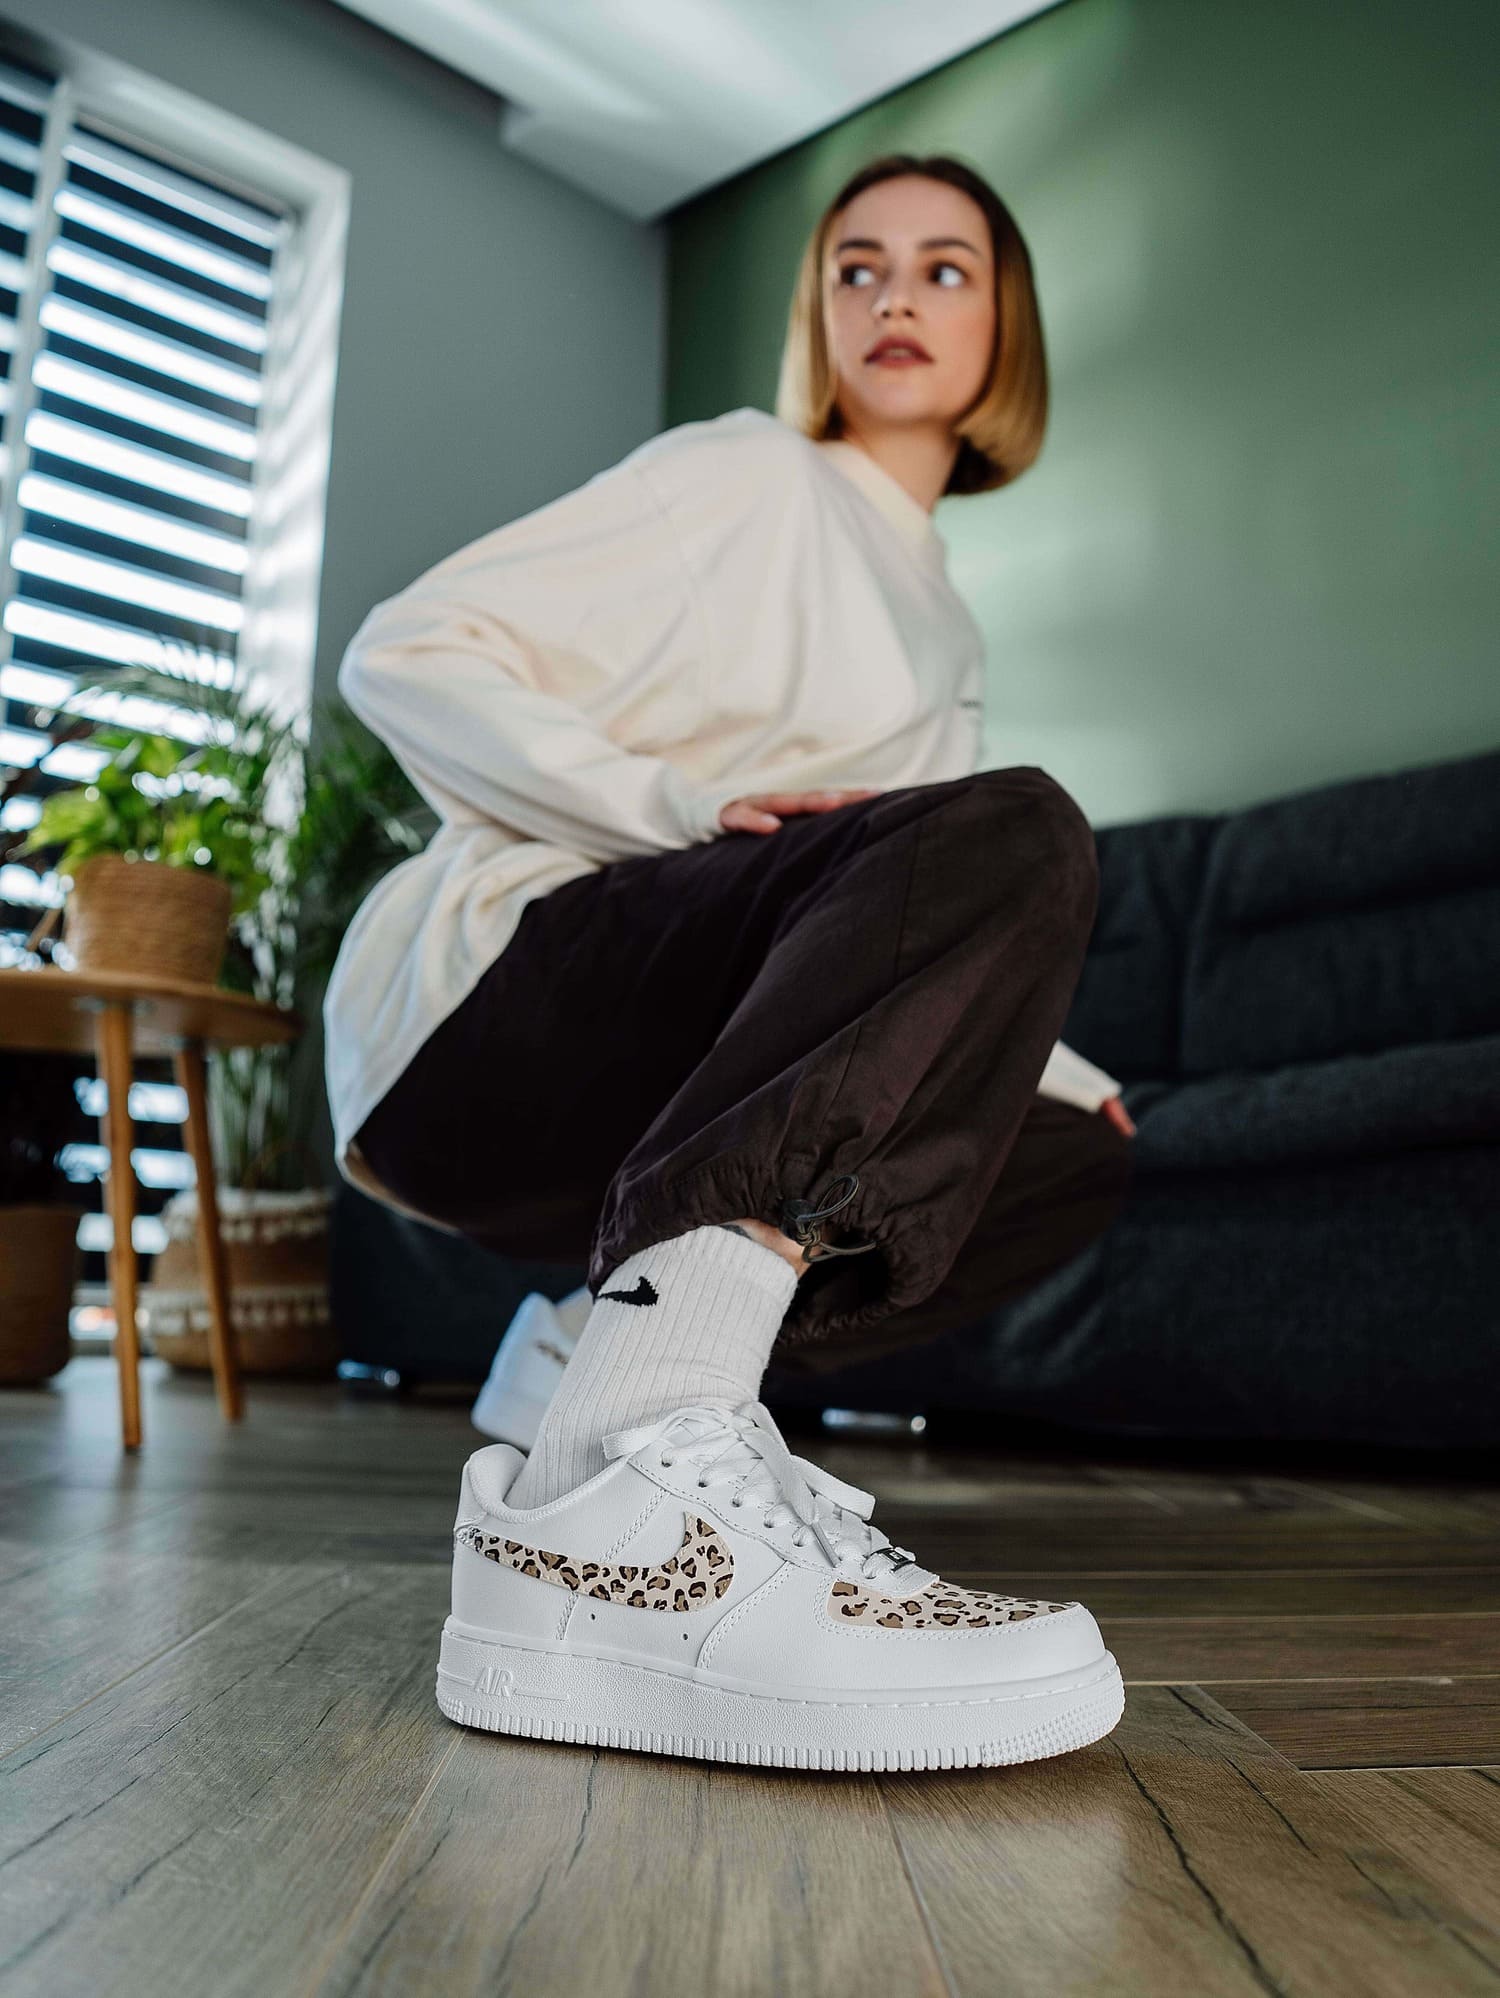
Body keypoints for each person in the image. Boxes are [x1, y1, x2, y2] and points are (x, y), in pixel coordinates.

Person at [324, 153, 1135, 1770]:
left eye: (946, 270)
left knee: (1067, 1157)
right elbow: (406, 650)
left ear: (1007, 330)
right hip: (497, 1008)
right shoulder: (755, 476)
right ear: (821, 311)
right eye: (858, 267)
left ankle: (589, 1365)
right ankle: (641, 1464)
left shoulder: (945, 624)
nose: (896, 296)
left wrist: (1058, 1076)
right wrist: (676, 802)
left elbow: (884, 930)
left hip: (667, 1068)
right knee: (1019, 827)